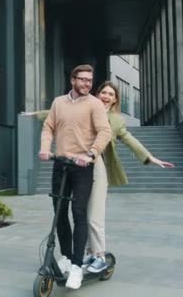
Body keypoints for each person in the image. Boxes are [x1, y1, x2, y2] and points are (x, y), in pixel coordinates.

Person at [29, 80, 174, 275]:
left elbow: (130, 140)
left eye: (110, 94)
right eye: (103, 92)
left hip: (96, 167)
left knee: (93, 215)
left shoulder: (116, 120)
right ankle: (86, 252)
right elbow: (56, 114)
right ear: (98, 95)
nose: (106, 96)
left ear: (115, 100)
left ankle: (98, 255)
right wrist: (35, 114)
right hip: (76, 165)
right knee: (79, 213)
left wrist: (150, 157)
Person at [38, 64, 111, 289]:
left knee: (78, 212)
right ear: (73, 80)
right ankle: (68, 257)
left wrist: (91, 154)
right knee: (59, 213)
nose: (87, 84)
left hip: (82, 166)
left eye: (90, 80)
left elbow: (104, 131)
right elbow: (48, 126)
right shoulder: (59, 102)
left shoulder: (95, 104)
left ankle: (78, 266)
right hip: (60, 164)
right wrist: (44, 148)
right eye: (83, 80)